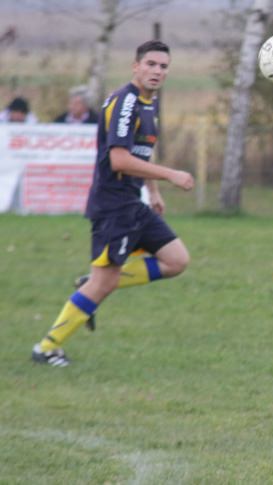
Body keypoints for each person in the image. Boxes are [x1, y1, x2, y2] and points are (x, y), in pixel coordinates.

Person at [31, 40, 195, 367]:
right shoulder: (125, 103)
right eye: (150, 64)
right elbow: (120, 159)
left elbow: (142, 151)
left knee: (176, 260)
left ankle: (89, 285)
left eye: (163, 66)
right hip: (113, 207)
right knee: (103, 283)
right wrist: (170, 176)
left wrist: (154, 190)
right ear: (136, 66)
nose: (157, 71)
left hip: (133, 203)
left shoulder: (150, 104)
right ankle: (47, 348)